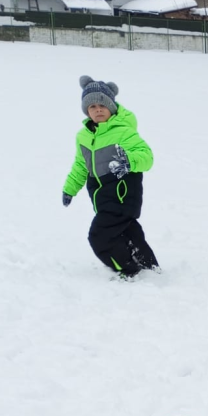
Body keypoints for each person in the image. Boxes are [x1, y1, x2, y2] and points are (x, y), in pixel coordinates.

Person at [61, 76, 159, 277]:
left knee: (99, 236)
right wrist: (70, 188)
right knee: (128, 231)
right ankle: (148, 266)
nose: (98, 109)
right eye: (92, 106)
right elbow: (81, 165)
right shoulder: (84, 136)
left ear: (112, 107)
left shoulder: (123, 132)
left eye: (102, 105)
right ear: (86, 111)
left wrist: (130, 161)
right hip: (102, 197)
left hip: (123, 194)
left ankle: (127, 269)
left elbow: (147, 157)